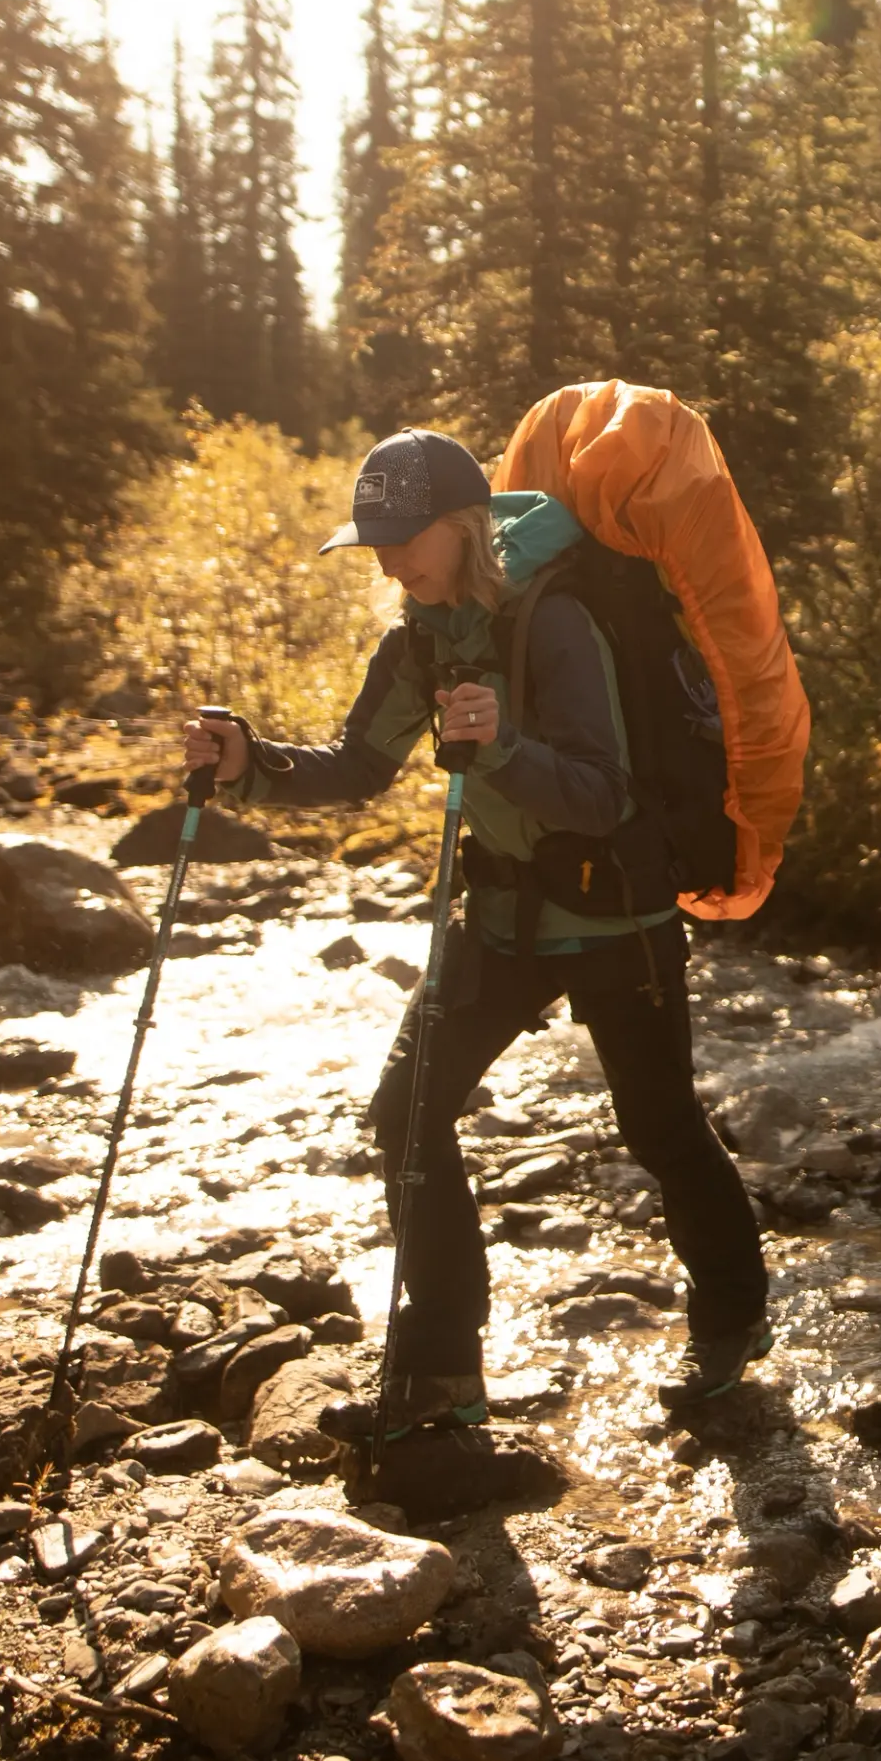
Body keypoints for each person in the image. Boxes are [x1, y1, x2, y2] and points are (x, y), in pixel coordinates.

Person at [180, 426, 769, 1434]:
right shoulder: (417, 637)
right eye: (375, 544)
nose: (388, 560)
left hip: (611, 911)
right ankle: (442, 1367)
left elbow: (602, 794)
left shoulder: (559, 622)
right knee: (406, 1112)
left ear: (463, 528)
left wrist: (497, 752)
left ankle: (731, 1318)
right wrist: (250, 764)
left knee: (658, 1124)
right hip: (497, 913)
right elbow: (359, 766)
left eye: (405, 539)